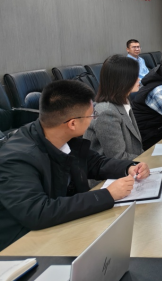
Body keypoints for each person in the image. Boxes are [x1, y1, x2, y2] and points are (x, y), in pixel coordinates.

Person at [0, 80, 150, 251]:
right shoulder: (17, 159)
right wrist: (107, 195)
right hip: (23, 248)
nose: (93, 119)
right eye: (91, 116)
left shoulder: (60, 136)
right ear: (72, 123)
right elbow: (38, 212)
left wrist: (129, 167)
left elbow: (95, 163)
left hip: (62, 229)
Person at [84, 55, 143, 161]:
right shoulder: (106, 112)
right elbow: (117, 157)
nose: (139, 79)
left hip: (131, 165)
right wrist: (150, 160)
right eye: (135, 77)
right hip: (113, 170)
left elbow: (135, 148)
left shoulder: (123, 101)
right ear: (123, 80)